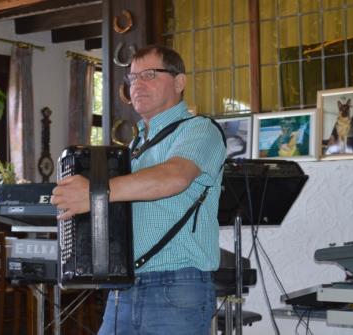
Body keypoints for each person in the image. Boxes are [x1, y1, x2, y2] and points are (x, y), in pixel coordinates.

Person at [51, 45, 227, 335]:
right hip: (123, 287)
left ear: (180, 82)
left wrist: (95, 193)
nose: (138, 85)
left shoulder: (199, 130)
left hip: (177, 286)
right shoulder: (132, 148)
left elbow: (174, 177)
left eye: (149, 75)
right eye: (132, 78)